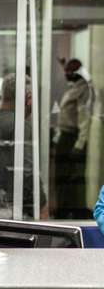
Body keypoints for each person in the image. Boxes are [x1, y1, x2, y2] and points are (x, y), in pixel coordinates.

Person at [0, 73, 47, 218]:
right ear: (28, 99)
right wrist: (41, 203)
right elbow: (26, 171)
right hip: (13, 210)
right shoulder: (22, 126)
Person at [54, 58, 95, 219]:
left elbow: (85, 118)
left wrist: (79, 144)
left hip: (73, 137)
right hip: (64, 136)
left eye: (69, 72)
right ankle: (63, 208)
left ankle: (73, 210)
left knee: (72, 177)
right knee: (61, 176)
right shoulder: (74, 88)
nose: (66, 74)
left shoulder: (83, 89)